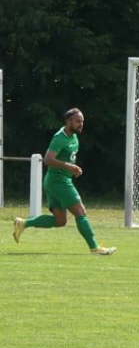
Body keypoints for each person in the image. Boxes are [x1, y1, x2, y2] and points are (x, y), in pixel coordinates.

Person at [12, 108, 116, 255]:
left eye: (82, 121)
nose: (81, 124)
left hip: (57, 181)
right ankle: (95, 247)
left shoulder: (73, 137)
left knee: (60, 221)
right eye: (78, 121)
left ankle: (23, 223)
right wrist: (69, 166)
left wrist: (72, 169)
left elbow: (68, 157)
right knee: (80, 212)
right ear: (68, 121)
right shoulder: (59, 138)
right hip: (58, 182)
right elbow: (48, 159)